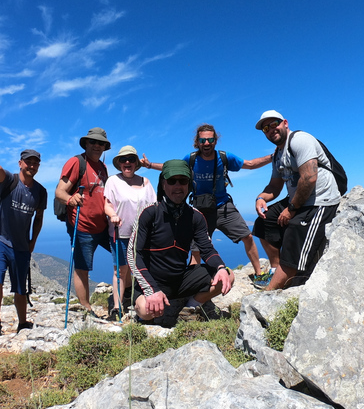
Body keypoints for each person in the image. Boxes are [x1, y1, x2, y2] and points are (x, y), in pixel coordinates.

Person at [141, 124, 273, 285]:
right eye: (203, 140)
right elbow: (171, 168)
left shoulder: (224, 157)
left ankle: (259, 274)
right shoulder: (191, 159)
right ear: (198, 141)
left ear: (215, 141)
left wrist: (273, 156)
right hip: (200, 209)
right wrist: (149, 165)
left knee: (247, 236)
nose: (206, 143)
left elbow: (251, 164)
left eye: (210, 139)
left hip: (223, 207)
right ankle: (192, 285)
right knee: (196, 249)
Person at [128, 160, 234, 323]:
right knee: (144, 310)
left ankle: (190, 308)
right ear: (163, 184)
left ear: (189, 185)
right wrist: (152, 290)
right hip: (152, 281)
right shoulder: (149, 213)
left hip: (180, 278)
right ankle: (161, 302)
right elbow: (134, 255)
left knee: (228, 275)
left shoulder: (195, 216)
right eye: (172, 181)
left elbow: (207, 248)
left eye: (183, 181)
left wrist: (220, 267)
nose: (178, 186)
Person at [252, 110, 341, 290]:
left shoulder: (300, 140)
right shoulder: (278, 154)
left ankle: (272, 293)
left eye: (274, 124)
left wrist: (291, 209)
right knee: (263, 224)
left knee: (294, 239)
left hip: (319, 201)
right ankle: (275, 271)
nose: (271, 130)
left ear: (285, 122)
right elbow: (275, 186)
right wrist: (261, 198)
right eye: (266, 128)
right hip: (297, 200)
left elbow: (309, 178)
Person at [0, 135, 47, 342]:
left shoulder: (41, 191)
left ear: (38, 166)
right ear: (20, 163)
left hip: (21, 245)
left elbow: (38, 217)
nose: (32, 165)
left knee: (21, 287)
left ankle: (22, 323)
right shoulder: (9, 180)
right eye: (28, 161)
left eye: (35, 162)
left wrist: (33, 241)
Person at [55, 127, 111, 318]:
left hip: (103, 226)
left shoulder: (103, 168)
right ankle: (86, 308)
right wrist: (71, 199)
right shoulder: (76, 162)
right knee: (82, 267)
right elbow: (60, 191)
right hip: (82, 226)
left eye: (100, 143)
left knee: (124, 255)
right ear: (86, 144)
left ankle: (124, 297)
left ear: (105, 147)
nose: (97, 146)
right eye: (93, 142)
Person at [103, 145, 157, 321]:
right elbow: (107, 204)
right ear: (119, 163)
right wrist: (112, 215)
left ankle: (140, 304)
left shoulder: (146, 182)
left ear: (136, 163)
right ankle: (117, 308)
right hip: (120, 233)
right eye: (123, 159)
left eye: (131, 159)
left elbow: (153, 207)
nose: (127, 162)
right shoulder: (113, 181)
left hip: (142, 234)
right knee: (121, 270)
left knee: (140, 270)